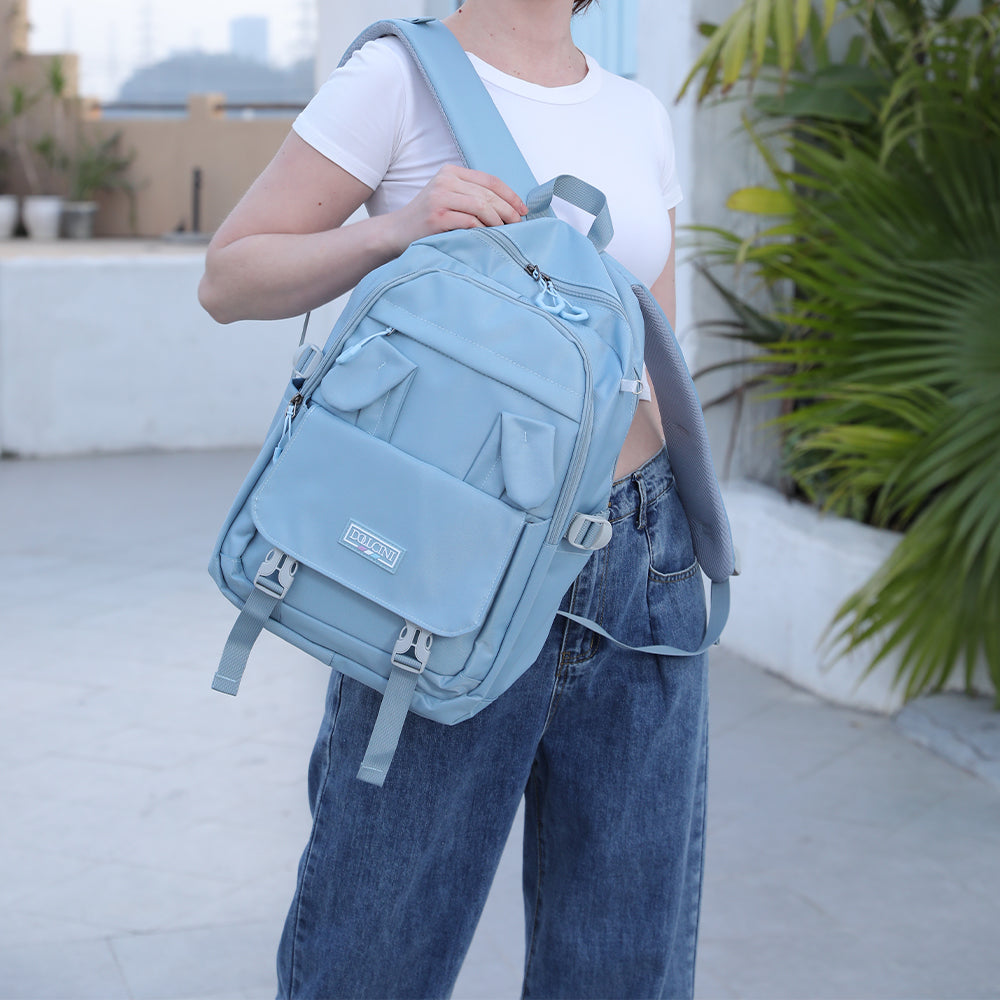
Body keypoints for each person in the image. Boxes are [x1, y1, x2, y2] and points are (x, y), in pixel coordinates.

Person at [199, 2, 709, 997]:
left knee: (624, 955)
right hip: (452, 554)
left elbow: (654, 356)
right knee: (377, 943)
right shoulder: (400, 77)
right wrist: (396, 232)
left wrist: (690, 540)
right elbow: (229, 277)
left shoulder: (638, 112)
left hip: (641, 551)